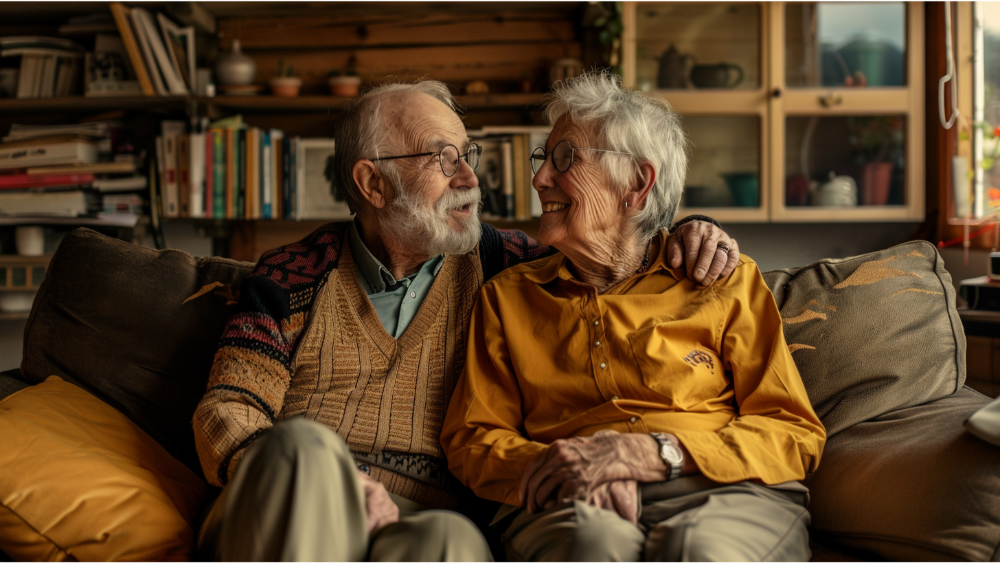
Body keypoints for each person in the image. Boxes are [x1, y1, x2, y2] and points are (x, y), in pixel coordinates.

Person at [192, 79, 739, 563]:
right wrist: (329, 484)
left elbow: (614, 247)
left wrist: (691, 229)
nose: (469, 178)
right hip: (283, 505)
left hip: (419, 517)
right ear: (373, 184)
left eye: (468, 154)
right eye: (443, 158)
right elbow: (228, 408)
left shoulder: (507, 269)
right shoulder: (291, 276)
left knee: (452, 542)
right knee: (305, 449)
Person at [441, 71, 826, 563]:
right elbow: (472, 439)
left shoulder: (724, 281)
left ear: (637, 184)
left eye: (565, 159)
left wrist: (655, 453)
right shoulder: (508, 298)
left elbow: (793, 430)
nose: (539, 179)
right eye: (544, 158)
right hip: (572, 501)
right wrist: (565, 468)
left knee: (699, 552)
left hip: (722, 489)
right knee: (591, 545)